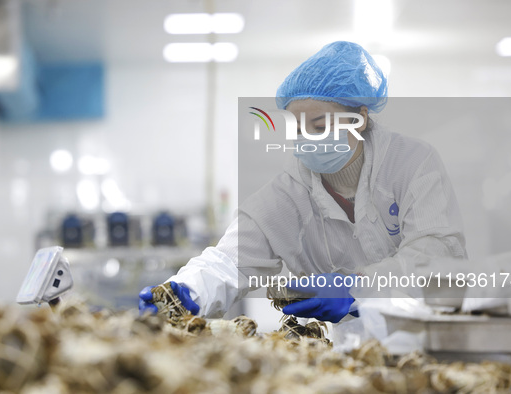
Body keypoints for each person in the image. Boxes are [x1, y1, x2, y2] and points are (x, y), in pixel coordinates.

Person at [139, 41, 467, 324]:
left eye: (320, 123)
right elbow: (229, 262)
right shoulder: (288, 194)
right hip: (351, 355)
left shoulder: (412, 162)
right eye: (297, 126)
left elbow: (437, 255)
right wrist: (185, 291)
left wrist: (357, 288)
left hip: (432, 338)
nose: (306, 137)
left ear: (360, 118)